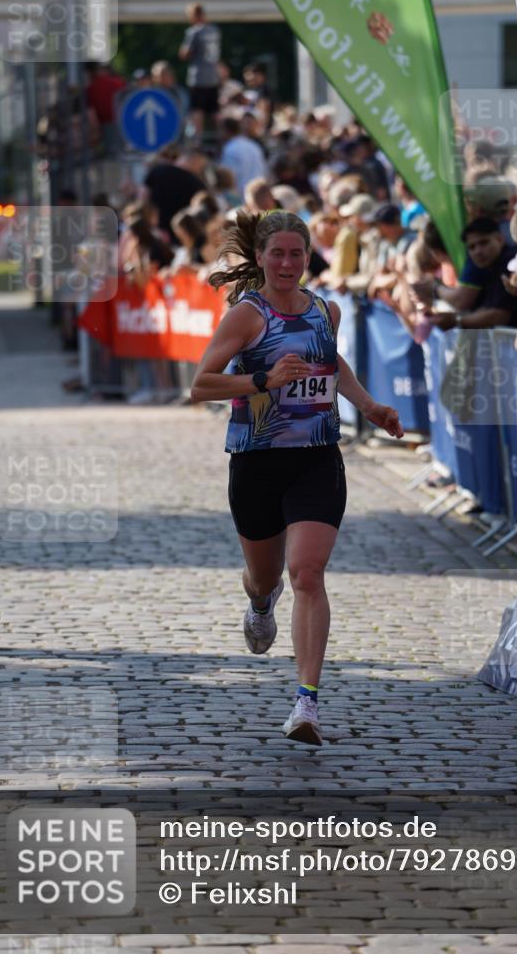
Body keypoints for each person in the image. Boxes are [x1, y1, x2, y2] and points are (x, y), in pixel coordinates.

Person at [190, 210, 404, 746]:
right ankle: (261, 602)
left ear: (308, 257)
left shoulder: (324, 309)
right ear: (260, 258)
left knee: (308, 573)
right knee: (266, 576)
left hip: (316, 457)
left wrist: (370, 405)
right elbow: (202, 384)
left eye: (297, 254)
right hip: (258, 461)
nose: (287, 263)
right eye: (277, 253)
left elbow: (331, 362)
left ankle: (306, 703)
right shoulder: (247, 314)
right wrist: (262, 378)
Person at [178, 2, 222, 141]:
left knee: (197, 111)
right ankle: (222, 137)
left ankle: (198, 141)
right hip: (213, 77)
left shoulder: (194, 31)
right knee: (215, 111)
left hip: (198, 78)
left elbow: (185, 53)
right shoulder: (214, 30)